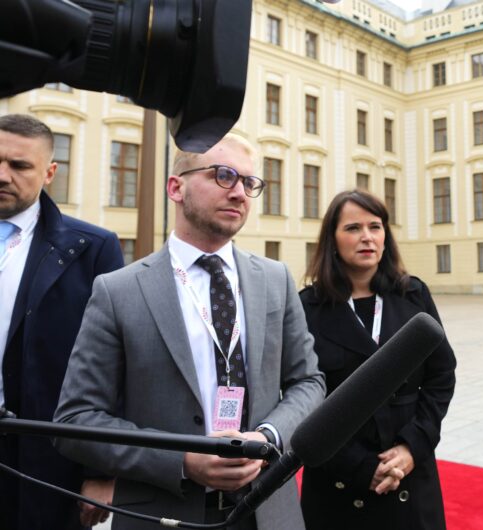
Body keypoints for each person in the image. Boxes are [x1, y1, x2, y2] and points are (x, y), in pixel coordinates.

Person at [53, 134, 325, 530]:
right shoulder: (118, 291)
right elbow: (76, 420)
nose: (240, 193)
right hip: (163, 511)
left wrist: (268, 436)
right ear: (175, 187)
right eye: (224, 176)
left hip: (267, 511)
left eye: (250, 183)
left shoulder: (275, 279)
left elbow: (309, 382)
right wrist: (182, 460)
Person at [298, 189, 456, 529]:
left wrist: (412, 447)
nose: (367, 237)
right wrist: (359, 466)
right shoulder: (308, 307)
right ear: (332, 239)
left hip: (409, 476)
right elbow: (300, 394)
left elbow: (441, 375)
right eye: (353, 228)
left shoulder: (413, 295)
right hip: (338, 482)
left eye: (375, 226)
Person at [0, 114, 124, 530]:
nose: (3, 175)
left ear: (50, 172)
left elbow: (114, 366)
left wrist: (101, 469)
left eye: (19, 166)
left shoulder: (93, 249)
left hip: (44, 464)